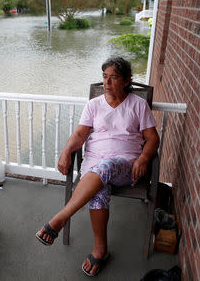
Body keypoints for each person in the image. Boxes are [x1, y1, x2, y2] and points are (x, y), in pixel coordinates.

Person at [35, 57, 160, 277]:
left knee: (107, 165)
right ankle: (100, 250)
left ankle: (62, 217)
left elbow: (153, 138)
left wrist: (143, 159)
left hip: (126, 166)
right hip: (94, 166)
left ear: (126, 81)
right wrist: (66, 151)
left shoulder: (138, 105)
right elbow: (80, 134)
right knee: (99, 189)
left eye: (114, 77)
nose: (107, 82)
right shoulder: (94, 105)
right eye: (104, 77)